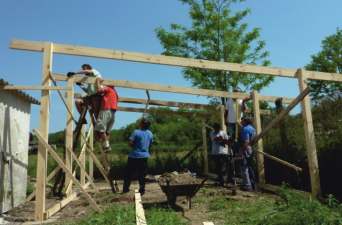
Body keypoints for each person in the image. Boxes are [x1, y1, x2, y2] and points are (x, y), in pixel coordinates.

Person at [123, 118, 153, 195]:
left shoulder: (136, 132)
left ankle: (126, 189)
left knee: (128, 173)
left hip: (134, 155)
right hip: (144, 156)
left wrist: (134, 145)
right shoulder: (150, 133)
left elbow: (130, 143)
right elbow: (150, 144)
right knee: (142, 174)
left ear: (142, 124)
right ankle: (142, 189)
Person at [94, 78, 119, 152]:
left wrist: (98, 82)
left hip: (106, 109)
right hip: (113, 112)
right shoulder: (115, 92)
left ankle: (107, 146)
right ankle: (106, 146)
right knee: (107, 131)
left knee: (100, 128)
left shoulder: (108, 89)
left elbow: (99, 91)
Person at [238, 116, 256, 191]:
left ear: (245, 121)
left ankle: (247, 186)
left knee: (244, 168)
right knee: (250, 168)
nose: (241, 122)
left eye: (242, 121)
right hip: (251, 149)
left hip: (246, 149)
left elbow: (246, 141)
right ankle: (253, 184)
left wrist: (242, 150)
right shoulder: (253, 129)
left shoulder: (245, 129)